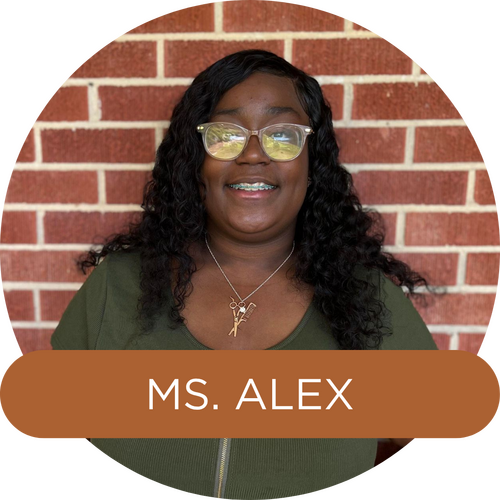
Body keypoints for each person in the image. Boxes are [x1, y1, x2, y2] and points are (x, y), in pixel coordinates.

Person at [51, 49, 437, 499]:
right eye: (226, 135)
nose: (253, 154)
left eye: (282, 135)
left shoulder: (368, 300)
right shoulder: (117, 286)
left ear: (312, 163)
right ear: (196, 162)